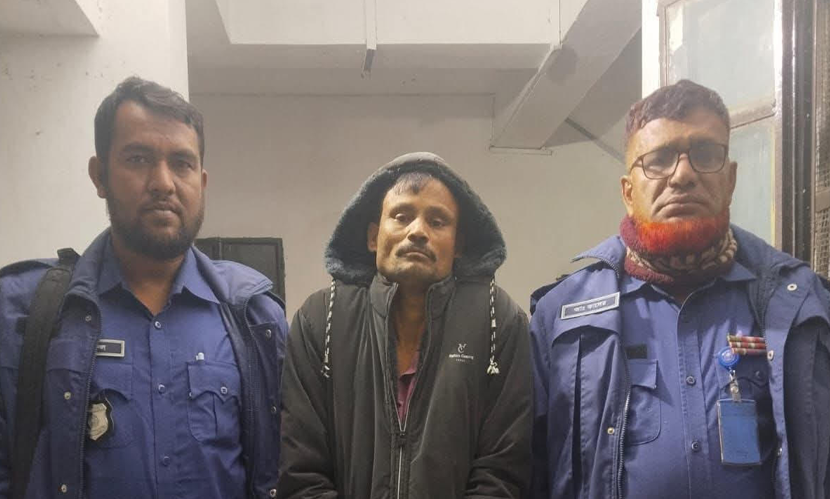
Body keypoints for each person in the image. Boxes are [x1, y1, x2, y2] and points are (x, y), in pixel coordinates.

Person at [530, 79, 830, 499]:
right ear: (628, 192)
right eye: (659, 159)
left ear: (730, 179)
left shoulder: (801, 305)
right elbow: (532, 471)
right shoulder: (561, 316)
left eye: (705, 154)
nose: (683, 175)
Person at [0, 76, 288, 499]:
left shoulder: (256, 319)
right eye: (138, 159)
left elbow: (280, 469)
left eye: (182, 163)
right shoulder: (23, 312)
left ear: (202, 182)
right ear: (99, 175)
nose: (163, 183)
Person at [277, 152, 532, 498]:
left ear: (458, 245)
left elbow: (503, 469)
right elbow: (302, 470)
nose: (418, 231)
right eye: (402, 216)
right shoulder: (321, 318)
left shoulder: (498, 321)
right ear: (373, 237)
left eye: (437, 222)